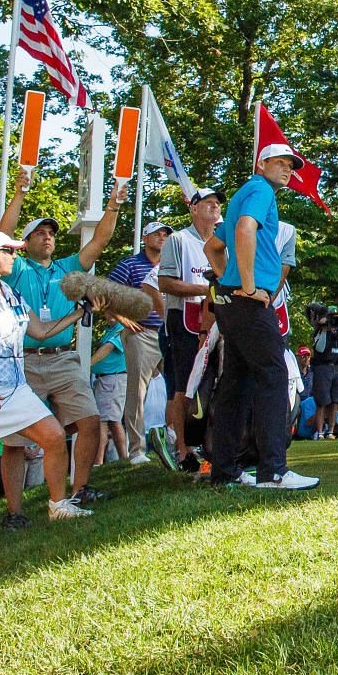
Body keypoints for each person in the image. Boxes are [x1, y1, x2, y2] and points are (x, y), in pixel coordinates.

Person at [0, 229, 97, 568]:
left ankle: (58, 506)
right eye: (11, 251)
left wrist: (77, 314)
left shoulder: (11, 294)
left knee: (54, 436)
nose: (16, 256)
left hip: (14, 388)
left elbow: (39, 331)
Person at [0, 171, 128, 507]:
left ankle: (79, 489)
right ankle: (14, 510)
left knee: (90, 420)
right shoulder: (18, 268)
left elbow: (99, 241)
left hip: (61, 357)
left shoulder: (69, 268)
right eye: (39, 233)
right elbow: (0, 236)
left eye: (51, 233)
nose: (48, 237)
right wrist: (19, 193)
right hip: (22, 360)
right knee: (14, 439)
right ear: (25, 243)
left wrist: (113, 205)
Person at [203, 144, 317, 489]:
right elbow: (245, 229)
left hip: (232, 304)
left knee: (235, 386)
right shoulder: (259, 189)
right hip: (250, 303)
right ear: (261, 163)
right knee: (273, 376)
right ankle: (274, 472)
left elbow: (212, 247)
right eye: (279, 163)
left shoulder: (244, 193)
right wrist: (248, 285)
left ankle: (224, 471)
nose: (286, 169)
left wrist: (227, 280)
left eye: (290, 165)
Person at [152, 186, 224, 471]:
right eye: (207, 202)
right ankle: (183, 450)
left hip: (217, 320)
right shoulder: (179, 240)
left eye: (217, 202)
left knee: (214, 384)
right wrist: (206, 289)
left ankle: (212, 444)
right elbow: (165, 283)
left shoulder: (224, 242)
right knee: (183, 386)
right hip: (184, 321)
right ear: (193, 208)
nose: (214, 206)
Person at [106, 220, 170, 464]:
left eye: (165, 233)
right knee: (137, 392)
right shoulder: (130, 265)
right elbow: (106, 293)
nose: (162, 237)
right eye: (156, 233)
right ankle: (137, 450)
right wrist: (122, 318)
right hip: (142, 333)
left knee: (178, 388)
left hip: (169, 332)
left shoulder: (170, 264)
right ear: (145, 238)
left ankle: (178, 442)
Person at [306, 305, 338, 441]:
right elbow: (319, 348)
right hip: (323, 367)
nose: (333, 320)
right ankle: (320, 432)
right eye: (331, 317)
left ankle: (330, 431)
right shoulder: (319, 331)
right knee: (322, 401)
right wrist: (324, 329)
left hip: (337, 367)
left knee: (334, 401)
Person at [88, 322, 129, 465]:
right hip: (105, 379)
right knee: (110, 420)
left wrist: (87, 364)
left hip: (113, 379)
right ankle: (122, 458)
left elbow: (108, 348)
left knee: (106, 421)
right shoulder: (110, 330)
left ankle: (99, 461)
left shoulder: (121, 330)